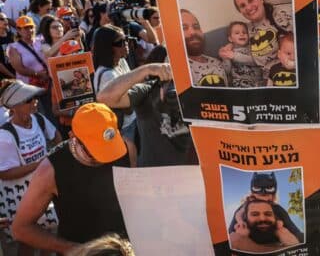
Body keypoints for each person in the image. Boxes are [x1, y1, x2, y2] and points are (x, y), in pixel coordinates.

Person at [12, 103, 137, 254]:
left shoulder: (126, 149)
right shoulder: (50, 170)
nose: (106, 159)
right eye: (95, 152)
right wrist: (74, 249)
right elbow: (20, 228)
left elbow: (130, 200)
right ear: (73, 138)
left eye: (110, 148)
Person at [0, 79, 61, 255]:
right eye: (28, 99)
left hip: (42, 190)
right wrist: (40, 164)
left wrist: (58, 154)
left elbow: (55, 134)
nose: (34, 101)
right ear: (15, 106)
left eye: (34, 97)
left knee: (46, 238)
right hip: (20, 199)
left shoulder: (39, 119)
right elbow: (4, 174)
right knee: (26, 242)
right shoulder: (4, 136)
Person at [97, 61, 196, 167]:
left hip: (191, 174)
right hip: (152, 174)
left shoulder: (201, 94)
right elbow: (104, 97)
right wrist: (146, 69)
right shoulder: (149, 90)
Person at [232, 0, 293, 80]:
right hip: (268, 81)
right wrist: (231, 45)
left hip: (289, 72)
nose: (248, 7)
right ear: (240, 11)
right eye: (242, 6)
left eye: (250, 0)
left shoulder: (280, 15)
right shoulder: (246, 29)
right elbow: (240, 45)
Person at [227, 172, 303, 243]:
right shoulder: (246, 206)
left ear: (273, 195)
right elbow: (237, 217)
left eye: (268, 189)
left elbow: (295, 232)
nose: (263, 193)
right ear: (252, 193)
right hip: (248, 240)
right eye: (255, 214)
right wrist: (241, 223)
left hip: (275, 241)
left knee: (282, 230)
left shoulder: (278, 209)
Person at [229, 200, 301, 252]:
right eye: (255, 214)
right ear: (245, 220)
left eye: (268, 214)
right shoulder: (231, 240)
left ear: (278, 221)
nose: (262, 218)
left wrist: (292, 243)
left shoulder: (294, 237)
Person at [181, 9, 228, 87]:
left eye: (196, 27)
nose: (193, 32)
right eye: (184, 28)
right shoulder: (178, 66)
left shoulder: (216, 63)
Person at [219, 21, 262, 88]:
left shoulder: (253, 47)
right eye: (237, 33)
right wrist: (225, 58)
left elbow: (256, 61)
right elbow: (227, 71)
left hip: (257, 83)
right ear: (230, 38)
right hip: (240, 83)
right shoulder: (229, 51)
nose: (241, 34)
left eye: (244, 32)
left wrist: (234, 56)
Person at [0, 12, 15, 79]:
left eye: (6, 19)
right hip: (3, 78)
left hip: (15, 71)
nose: (5, 20)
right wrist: (11, 76)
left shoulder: (11, 35)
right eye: (2, 19)